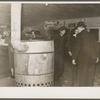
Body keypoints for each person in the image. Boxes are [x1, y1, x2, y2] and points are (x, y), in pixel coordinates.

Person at [72, 21, 99, 86]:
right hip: (92, 58)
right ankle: (89, 89)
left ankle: (83, 90)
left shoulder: (79, 35)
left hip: (83, 60)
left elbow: (77, 48)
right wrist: (97, 56)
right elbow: (96, 46)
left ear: (79, 28)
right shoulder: (92, 35)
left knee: (82, 75)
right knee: (90, 75)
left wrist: (74, 58)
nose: (77, 30)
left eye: (77, 28)